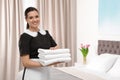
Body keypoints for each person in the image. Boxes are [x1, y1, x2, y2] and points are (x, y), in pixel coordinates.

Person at [18, 7, 59, 80]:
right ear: (26, 20)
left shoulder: (45, 33)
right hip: (32, 74)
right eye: (31, 18)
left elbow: (56, 47)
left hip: (46, 72)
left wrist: (53, 53)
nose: (35, 20)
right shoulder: (25, 36)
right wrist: (45, 63)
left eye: (36, 16)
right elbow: (25, 62)